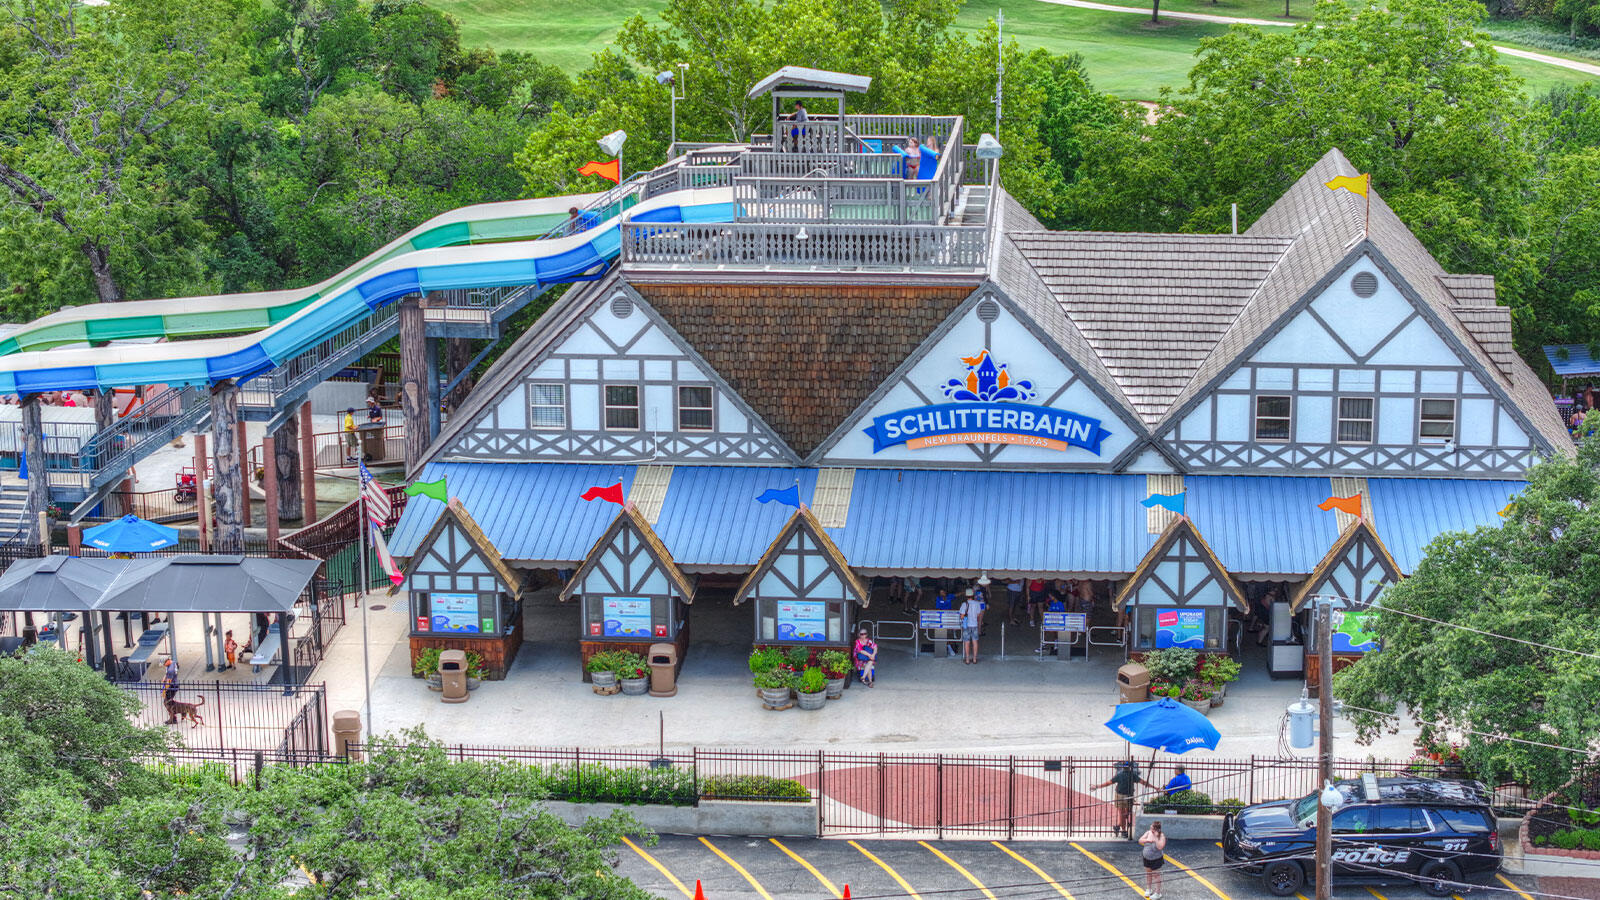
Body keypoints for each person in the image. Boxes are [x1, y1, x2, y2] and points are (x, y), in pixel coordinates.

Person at [1094, 761, 1156, 838]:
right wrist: (1154, 787)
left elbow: (1109, 783)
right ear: (1130, 767)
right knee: (1125, 813)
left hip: (1121, 795)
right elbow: (1143, 782)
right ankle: (1123, 830)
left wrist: (1097, 786)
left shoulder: (1122, 775)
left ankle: (1119, 826)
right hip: (1127, 795)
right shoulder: (1131, 775)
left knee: (1123, 813)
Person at [1139, 820, 1168, 899]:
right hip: (1146, 858)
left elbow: (1160, 847)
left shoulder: (1161, 836)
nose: (1150, 827)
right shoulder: (1148, 833)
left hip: (1156, 859)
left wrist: (1155, 838)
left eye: (1152, 827)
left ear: (1156, 829)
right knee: (1148, 873)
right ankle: (1149, 889)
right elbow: (1140, 840)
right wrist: (1147, 840)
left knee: (1156, 875)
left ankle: (1158, 893)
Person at [959, 588, 984, 664]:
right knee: (975, 642)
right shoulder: (977, 603)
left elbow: (962, 616)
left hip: (966, 625)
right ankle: (974, 659)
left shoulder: (964, 604)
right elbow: (979, 614)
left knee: (967, 642)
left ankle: (967, 659)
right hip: (975, 625)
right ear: (973, 595)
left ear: (966, 595)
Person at [161, 657, 179, 724]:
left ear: (168, 661)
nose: (164, 665)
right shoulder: (173, 662)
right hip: (174, 684)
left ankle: (173, 719)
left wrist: (164, 691)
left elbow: (168, 683)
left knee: (167, 703)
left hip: (172, 687)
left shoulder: (170, 670)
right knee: (169, 702)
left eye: (164, 664)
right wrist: (165, 677)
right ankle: (179, 713)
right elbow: (167, 674)